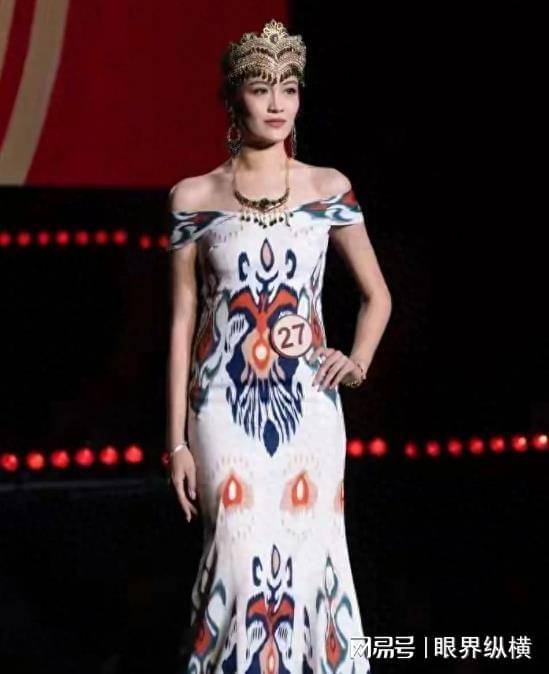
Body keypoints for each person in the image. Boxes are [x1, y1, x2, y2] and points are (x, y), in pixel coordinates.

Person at [166, 18, 391, 673]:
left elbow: (378, 296)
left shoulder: (327, 189)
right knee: (236, 563)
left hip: (308, 408)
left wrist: (355, 363)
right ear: (233, 97)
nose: (276, 103)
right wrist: (176, 443)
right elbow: (182, 322)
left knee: (311, 557)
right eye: (261, 88)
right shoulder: (192, 197)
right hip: (220, 405)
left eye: (288, 89)